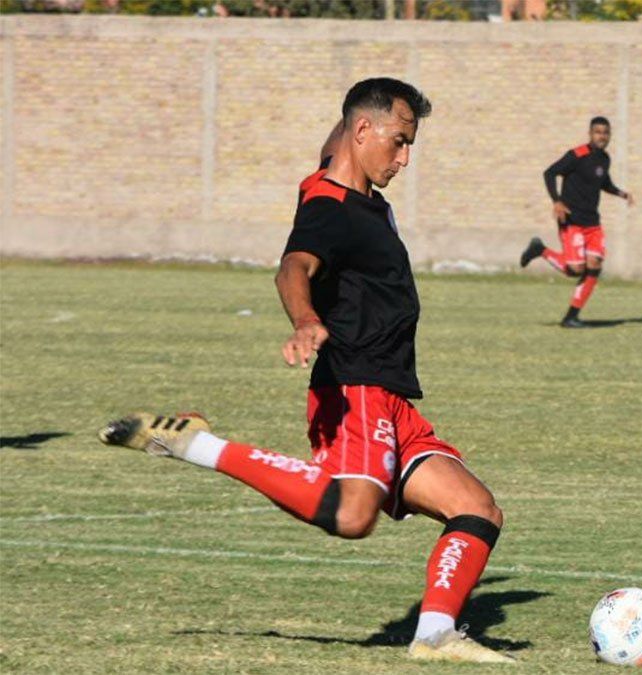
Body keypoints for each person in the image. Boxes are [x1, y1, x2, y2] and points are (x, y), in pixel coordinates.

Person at [97, 78, 514, 663]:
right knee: (351, 515)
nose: (405, 158)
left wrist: (366, 105)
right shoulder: (328, 208)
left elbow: (338, 141)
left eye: (411, 143)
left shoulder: (337, 177)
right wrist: (303, 319)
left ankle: (435, 636)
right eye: (398, 141)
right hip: (355, 388)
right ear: (362, 132)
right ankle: (198, 445)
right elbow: (293, 265)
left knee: (476, 508)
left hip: (392, 399)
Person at [518, 116, 633, 328]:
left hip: (593, 224)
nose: (602, 136)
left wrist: (621, 193)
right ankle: (540, 250)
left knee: (594, 266)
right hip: (571, 220)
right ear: (590, 134)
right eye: (598, 132)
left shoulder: (605, 159)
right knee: (575, 269)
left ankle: (571, 317)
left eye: (605, 133)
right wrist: (557, 201)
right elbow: (549, 173)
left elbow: (603, 182)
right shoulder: (577, 155)